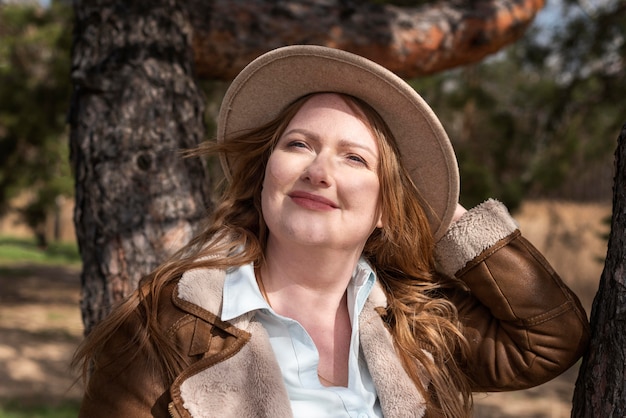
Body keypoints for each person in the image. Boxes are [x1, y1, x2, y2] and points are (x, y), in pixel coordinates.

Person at [73, 45, 589, 418]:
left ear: (385, 206)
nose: (319, 171)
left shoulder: (418, 326)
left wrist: (441, 210)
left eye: (354, 158)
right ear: (263, 174)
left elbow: (548, 339)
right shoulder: (166, 321)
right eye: (298, 145)